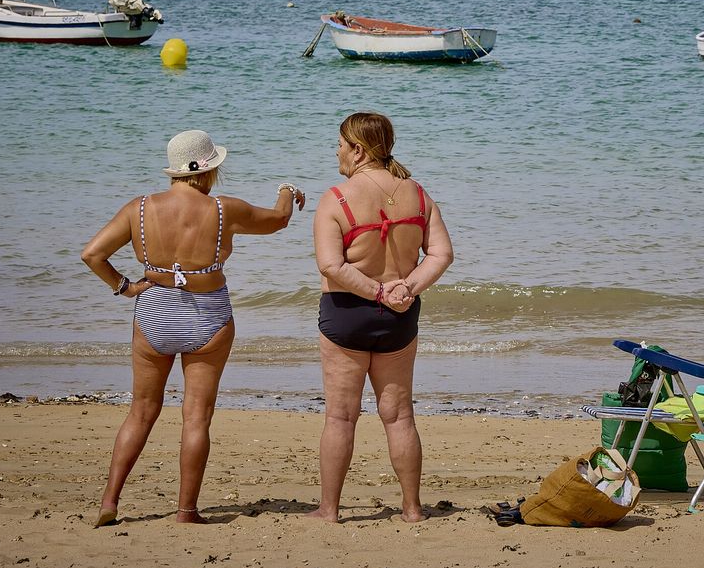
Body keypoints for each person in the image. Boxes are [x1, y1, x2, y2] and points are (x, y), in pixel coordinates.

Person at [81, 129, 306, 526]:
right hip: (209, 316)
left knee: (140, 412)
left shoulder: (140, 208)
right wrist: (288, 188)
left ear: (174, 171)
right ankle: (186, 511)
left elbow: (93, 254)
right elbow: (280, 220)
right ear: (208, 171)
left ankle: (109, 502)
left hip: (154, 313)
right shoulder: (224, 209)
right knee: (196, 418)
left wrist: (125, 287)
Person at [308, 112, 452, 523]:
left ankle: (330, 510)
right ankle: (411, 509)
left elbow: (331, 266)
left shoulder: (336, 198)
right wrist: (404, 288)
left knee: (340, 416)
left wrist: (376, 291)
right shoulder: (419, 195)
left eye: (339, 142)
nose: (335, 149)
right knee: (400, 415)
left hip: (347, 316)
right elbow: (441, 254)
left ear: (358, 149)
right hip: (399, 318)